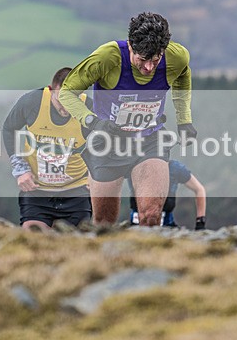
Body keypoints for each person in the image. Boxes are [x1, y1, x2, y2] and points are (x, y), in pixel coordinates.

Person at [59, 12, 196, 226]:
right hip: (107, 144)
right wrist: (92, 122)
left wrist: (184, 120)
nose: (149, 68)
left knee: (151, 215)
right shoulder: (108, 57)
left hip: (149, 140)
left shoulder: (177, 57)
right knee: (104, 222)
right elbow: (67, 92)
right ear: (131, 46)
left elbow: (183, 77)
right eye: (142, 60)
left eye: (155, 60)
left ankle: (145, 259)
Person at [2, 67, 92, 231]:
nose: (66, 109)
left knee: (77, 243)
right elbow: (9, 129)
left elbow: (104, 143)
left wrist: (96, 174)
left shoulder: (89, 108)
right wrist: (20, 168)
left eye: (72, 102)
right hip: (37, 191)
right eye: (61, 100)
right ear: (51, 91)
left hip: (77, 191)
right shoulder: (32, 102)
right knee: (33, 238)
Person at [128, 159, 207, 230]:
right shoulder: (133, 166)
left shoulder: (174, 168)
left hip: (168, 226)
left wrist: (200, 222)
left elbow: (199, 190)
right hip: (137, 226)